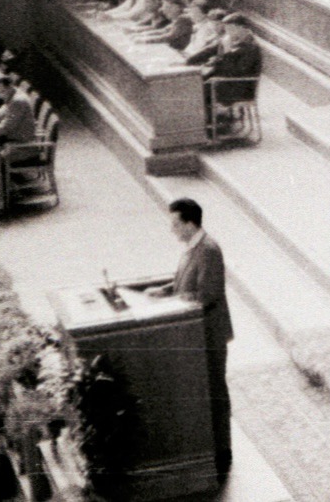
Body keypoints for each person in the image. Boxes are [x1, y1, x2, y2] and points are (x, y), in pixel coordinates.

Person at [147, 199, 233, 476]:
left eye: (175, 224)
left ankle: (222, 450)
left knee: (216, 390)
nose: (171, 230)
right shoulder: (192, 248)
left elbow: (206, 295)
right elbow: (185, 281)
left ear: (189, 223)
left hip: (209, 331)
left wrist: (173, 302)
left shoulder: (208, 250)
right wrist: (164, 290)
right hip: (196, 332)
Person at [201, 16, 262, 125]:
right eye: (227, 29)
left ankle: (210, 126)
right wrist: (217, 60)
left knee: (199, 89)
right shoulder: (238, 42)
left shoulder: (251, 46)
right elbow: (229, 64)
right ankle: (208, 124)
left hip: (241, 88)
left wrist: (227, 53)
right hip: (230, 82)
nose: (228, 33)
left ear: (242, 28)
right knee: (198, 82)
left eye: (230, 29)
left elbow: (238, 70)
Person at [0, 77, 36, 143]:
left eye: (2, 92)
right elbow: (3, 111)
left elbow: (7, 127)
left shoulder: (17, 101)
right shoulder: (13, 93)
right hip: (14, 133)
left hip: (20, 141)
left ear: (10, 86)